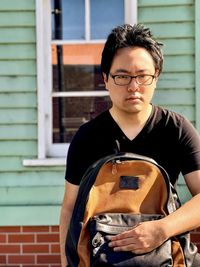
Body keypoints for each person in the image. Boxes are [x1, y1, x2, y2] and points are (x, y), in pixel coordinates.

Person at [59, 23, 200, 267]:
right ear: (105, 79)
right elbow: (69, 209)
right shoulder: (87, 137)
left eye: (143, 76)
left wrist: (161, 229)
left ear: (156, 77)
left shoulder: (176, 129)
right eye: (122, 76)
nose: (134, 87)